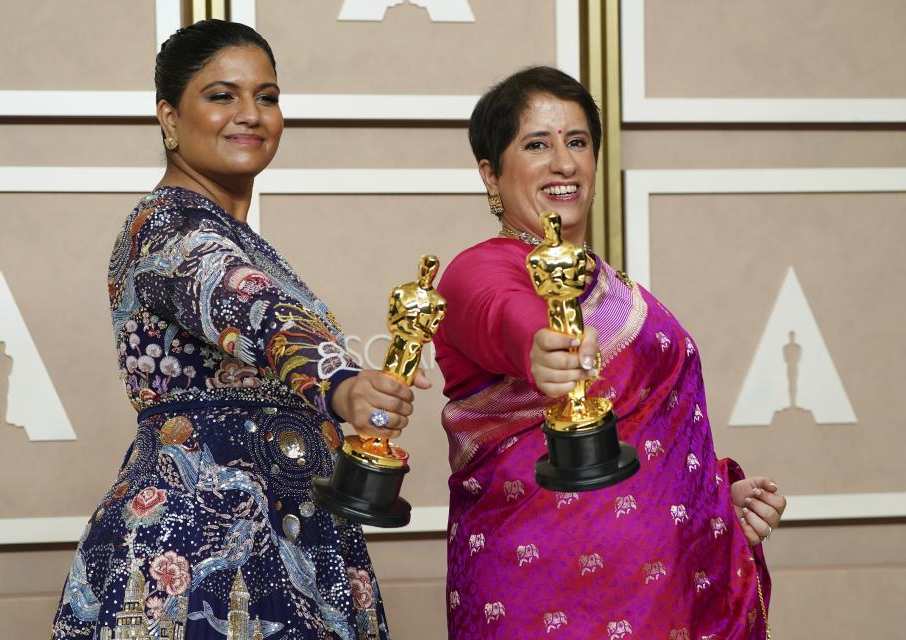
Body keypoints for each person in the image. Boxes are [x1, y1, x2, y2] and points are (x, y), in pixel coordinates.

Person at [50, 20, 423, 640]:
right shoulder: (164, 227)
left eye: (267, 97)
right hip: (198, 553)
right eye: (222, 95)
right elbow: (242, 303)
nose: (250, 114)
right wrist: (341, 382)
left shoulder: (239, 237)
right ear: (169, 117)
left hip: (292, 535)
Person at [433, 66, 787, 639]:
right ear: (490, 175)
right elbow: (503, 313)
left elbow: (645, 446)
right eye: (536, 144)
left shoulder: (617, 289)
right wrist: (543, 347)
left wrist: (710, 502)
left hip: (663, 600)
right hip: (536, 597)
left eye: (577, 142)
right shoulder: (478, 270)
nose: (564, 162)